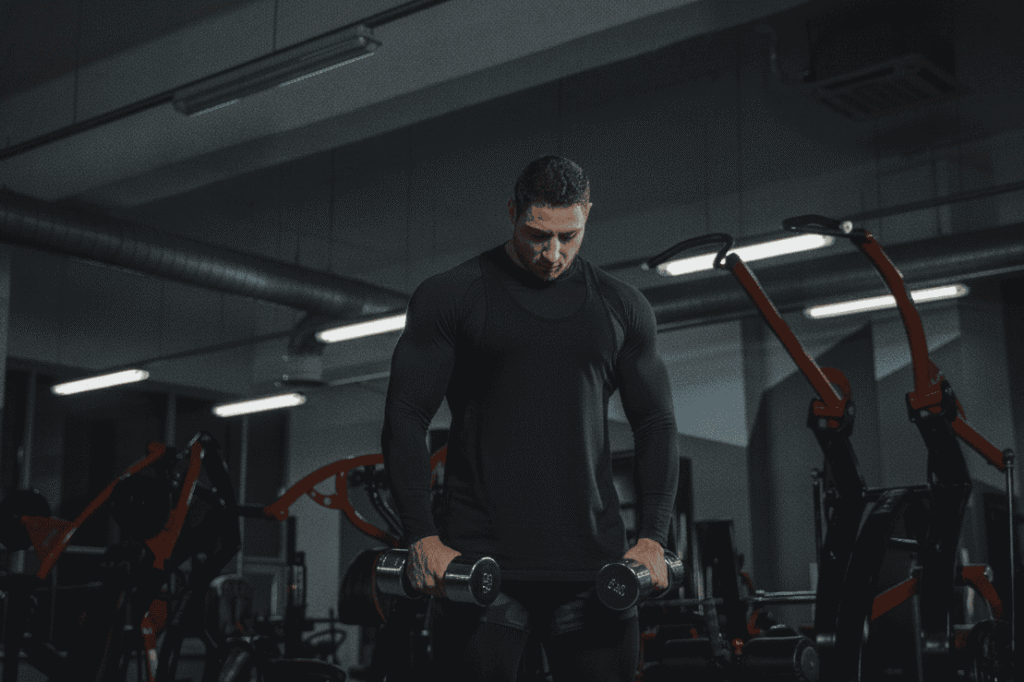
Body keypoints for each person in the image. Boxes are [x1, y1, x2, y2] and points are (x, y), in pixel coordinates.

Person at [381, 155, 680, 681]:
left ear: (587, 213)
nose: (553, 253)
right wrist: (421, 537)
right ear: (513, 211)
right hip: (479, 565)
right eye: (538, 233)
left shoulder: (622, 306)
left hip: (594, 566)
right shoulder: (452, 295)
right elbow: (406, 414)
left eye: (570, 235)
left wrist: (653, 536)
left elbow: (655, 424)